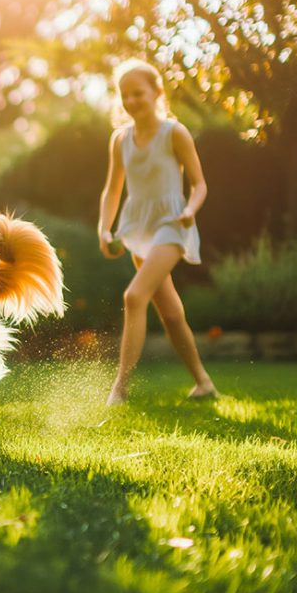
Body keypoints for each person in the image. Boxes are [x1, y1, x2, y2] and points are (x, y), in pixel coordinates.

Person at [97, 59, 218, 406]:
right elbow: (112, 190)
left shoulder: (174, 133)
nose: (131, 101)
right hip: (137, 228)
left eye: (138, 93)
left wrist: (190, 211)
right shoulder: (119, 139)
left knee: (134, 297)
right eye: (125, 95)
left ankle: (119, 389)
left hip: (172, 225)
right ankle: (204, 383)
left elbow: (199, 184)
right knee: (171, 312)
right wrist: (105, 230)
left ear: (157, 92)